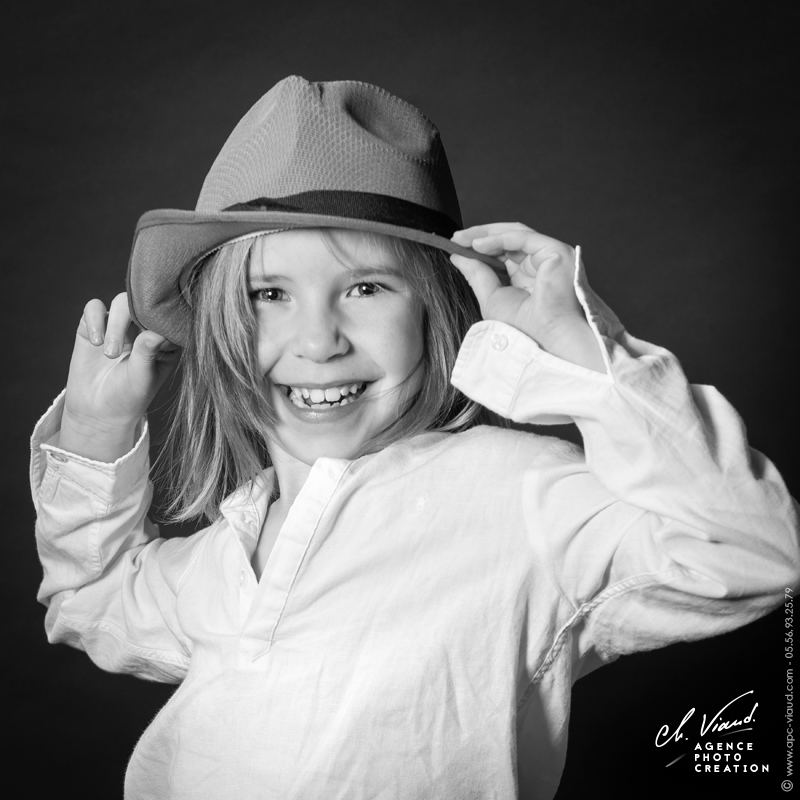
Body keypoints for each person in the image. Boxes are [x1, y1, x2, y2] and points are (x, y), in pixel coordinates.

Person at [30, 75, 799, 799]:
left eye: (365, 287)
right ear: (225, 326)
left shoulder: (516, 496)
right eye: (270, 294)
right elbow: (89, 604)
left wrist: (581, 356)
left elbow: (753, 551)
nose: (318, 339)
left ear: (433, 309)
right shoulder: (227, 546)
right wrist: (97, 429)